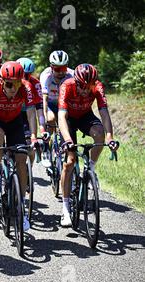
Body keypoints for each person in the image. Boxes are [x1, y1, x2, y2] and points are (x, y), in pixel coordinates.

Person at [58, 64, 119, 227]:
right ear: (76, 81)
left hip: (85, 116)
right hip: (68, 119)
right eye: (82, 87)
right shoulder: (67, 86)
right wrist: (67, 140)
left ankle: (90, 167)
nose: (85, 91)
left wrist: (109, 137)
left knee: (99, 133)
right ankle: (65, 208)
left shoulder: (97, 87)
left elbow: (104, 113)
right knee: (70, 162)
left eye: (89, 87)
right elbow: (62, 117)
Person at [0, 61, 40, 231]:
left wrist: (34, 137)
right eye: (9, 84)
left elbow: (30, 114)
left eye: (16, 83)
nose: (13, 88)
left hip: (15, 122)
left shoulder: (26, 87)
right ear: (1, 81)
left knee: (21, 158)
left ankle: (21, 204)